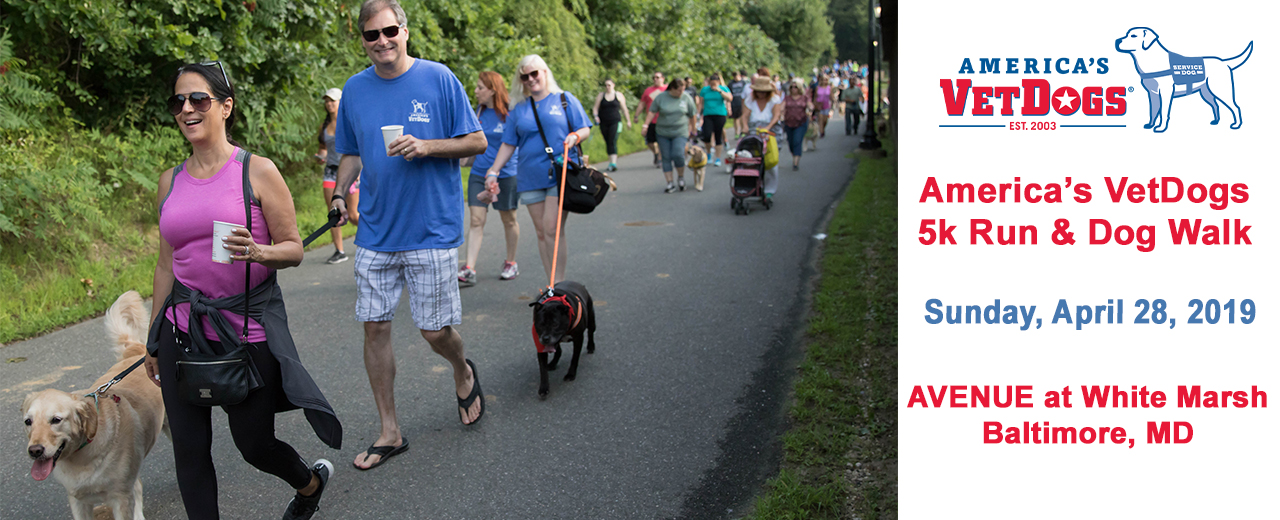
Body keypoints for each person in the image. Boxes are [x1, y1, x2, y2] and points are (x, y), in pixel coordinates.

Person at [145, 61, 342, 520]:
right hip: (183, 329)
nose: (187, 109)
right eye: (179, 101)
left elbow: (293, 249)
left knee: (254, 445)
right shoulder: (168, 181)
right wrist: (153, 337)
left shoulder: (256, 171)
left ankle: (309, 483)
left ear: (226, 106)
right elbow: (164, 264)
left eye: (199, 99)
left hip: (244, 331)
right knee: (190, 453)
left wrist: (258, 252)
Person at [329, 0, 488, 471]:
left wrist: (428, 145)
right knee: (375, 327)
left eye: (390, 30)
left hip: (431, 228)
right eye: (371, 34)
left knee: (434, 330)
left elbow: (476, 141)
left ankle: (462, 369)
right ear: (362, 39)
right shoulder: (355, 90)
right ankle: (389, 431)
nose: (382, 41)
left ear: (406, 31)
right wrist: (339, 193)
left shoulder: (439, 79)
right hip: (376, 230)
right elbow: (351, 153)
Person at [484, 54, 592, 284]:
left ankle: (559, 284)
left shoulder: (564, 99)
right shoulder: (518, 109)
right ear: (520, 80)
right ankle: (551, 283)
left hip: (560, 174)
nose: (531, 79)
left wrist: (574, 136)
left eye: (535, 73)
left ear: (544, 72)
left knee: (551, 228)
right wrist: (493, 171)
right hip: (530, 176)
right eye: (525, 76)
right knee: (542, 233)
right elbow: (508, 143)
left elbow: (584, 128)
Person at [458, 71, 521, 285]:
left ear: (493, 90)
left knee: (508, 219)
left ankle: (511, 262)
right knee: (476, 220)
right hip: (479, 173)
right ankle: (469, 268)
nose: (475, 92)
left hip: (505, 174)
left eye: (480, 88)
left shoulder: (512, 112)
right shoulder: (478, 111)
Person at [316, 88, 357, 264]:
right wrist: (320, 157)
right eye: (327, 101)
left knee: (354, 215)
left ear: (341, 102)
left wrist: (359, 173)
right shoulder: (324, 126)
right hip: (331, 172)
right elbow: (323, 149)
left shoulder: (349, 123)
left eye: (333, 100)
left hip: (350, 173)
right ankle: (339, 251)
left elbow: (358, 150)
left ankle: (374, 237)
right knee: (333, 213)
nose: (329, 104)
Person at [646, 78, 697, 193]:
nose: (681, 93)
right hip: (663, 132)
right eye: (679, 90)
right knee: (666, 157)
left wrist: (693, 129)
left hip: (680, 132)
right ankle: (670, 183)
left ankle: (681, 177)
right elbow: (652, 111)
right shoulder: (661, 97)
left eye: (683, 90)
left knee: (678, 154)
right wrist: (646, 125)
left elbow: (692, 114)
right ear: (672, 89)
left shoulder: (686, 98)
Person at [739, 76, 783, 199]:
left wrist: (768, 127)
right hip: (754, 130)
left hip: (770, 130)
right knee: (753, 159)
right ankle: (752, 184)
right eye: (759, 91)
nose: (761, 94)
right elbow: (745, 116)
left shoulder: (774, 99)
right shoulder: (750, 100)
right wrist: (745, 126)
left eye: (763, 91)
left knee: (770, 161)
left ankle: (770, 189)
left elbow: (776, 115)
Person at [592, 77, 631, 172]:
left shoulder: (618, 95)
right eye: (605, 85)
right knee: (607, 140)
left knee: (612, 140)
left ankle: (613, 163)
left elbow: (624, 109)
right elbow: (595, 108)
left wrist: (628, 121)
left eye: (609, 85)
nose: (607, 87)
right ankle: (610, 161)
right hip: (604, 122)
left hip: (615, 121)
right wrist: (596, 116)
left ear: (613, 85)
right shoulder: (601, 95)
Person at [696, 73, 732, 168]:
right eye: (711, 84)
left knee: (717, 135)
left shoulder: (723, 88)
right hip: (708, 115)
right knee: (707, 135)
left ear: (718, 82)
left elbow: (729, 98)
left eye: (714, 84)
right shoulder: (705, 90)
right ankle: (708, 153)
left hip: (720, 115)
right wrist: (698, 114)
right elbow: (700, 102)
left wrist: (719, 90)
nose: (713, 86)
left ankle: (718, 158)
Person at [637, 71, 667, 168]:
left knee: (661, 141)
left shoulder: (667, 89)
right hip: (651, 120)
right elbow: (642, 103)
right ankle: (656, 153)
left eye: (657, 77)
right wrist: (636, 115)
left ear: (663, 78)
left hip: (663, 120)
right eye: (654, 77)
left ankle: (660, 159)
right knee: (650, 141)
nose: (655, 79)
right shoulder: (648, 90)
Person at [782, 81, 812, 170]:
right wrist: (779, 111)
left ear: (799, 88)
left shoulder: (804, 98)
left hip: (801, 123)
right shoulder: (787, 98)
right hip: (788, 123)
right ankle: (795, 154)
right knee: (791, 143)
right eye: (791, 87)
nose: (793, 89)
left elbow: (809, 105)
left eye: (795, 87)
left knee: (797, 141)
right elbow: (782, 106)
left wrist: (810, 107)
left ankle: (795, 163)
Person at [728, 70, 749, 139]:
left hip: (742, 102)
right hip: (734, 102)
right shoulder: (731, 84)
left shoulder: (743, 83)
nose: (736, 78)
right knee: (735, 118)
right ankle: (736, 132)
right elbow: (729, 93)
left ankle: (743, 131)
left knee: (742, 117)